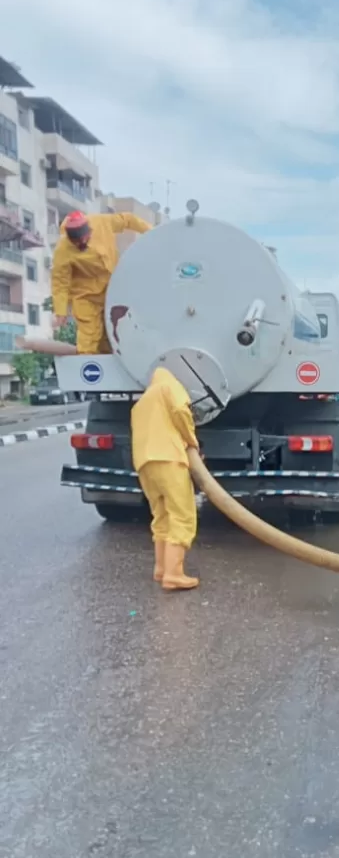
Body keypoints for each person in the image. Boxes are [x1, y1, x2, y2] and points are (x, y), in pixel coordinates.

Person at [131, 367, 201, 591]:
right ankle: (174, 574)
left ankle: (161, 569)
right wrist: (191, 441)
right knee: (182, 516)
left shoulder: (141, 403)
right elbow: (180, 410)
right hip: (169, 458)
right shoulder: (168, 386)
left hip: (144, 464)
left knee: (161, 516)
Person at [51, 210, 152, 354]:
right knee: (89, 338)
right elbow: (60, 282)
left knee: (116, 332)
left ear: (89, 230)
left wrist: (151, 231)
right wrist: (61, 312)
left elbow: (128, 220)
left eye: (85, 238)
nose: (83, 243)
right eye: (78, 242)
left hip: (114, 289)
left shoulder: (102, 222)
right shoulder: (63, 250)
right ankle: (88, 369)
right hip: (86, 296)